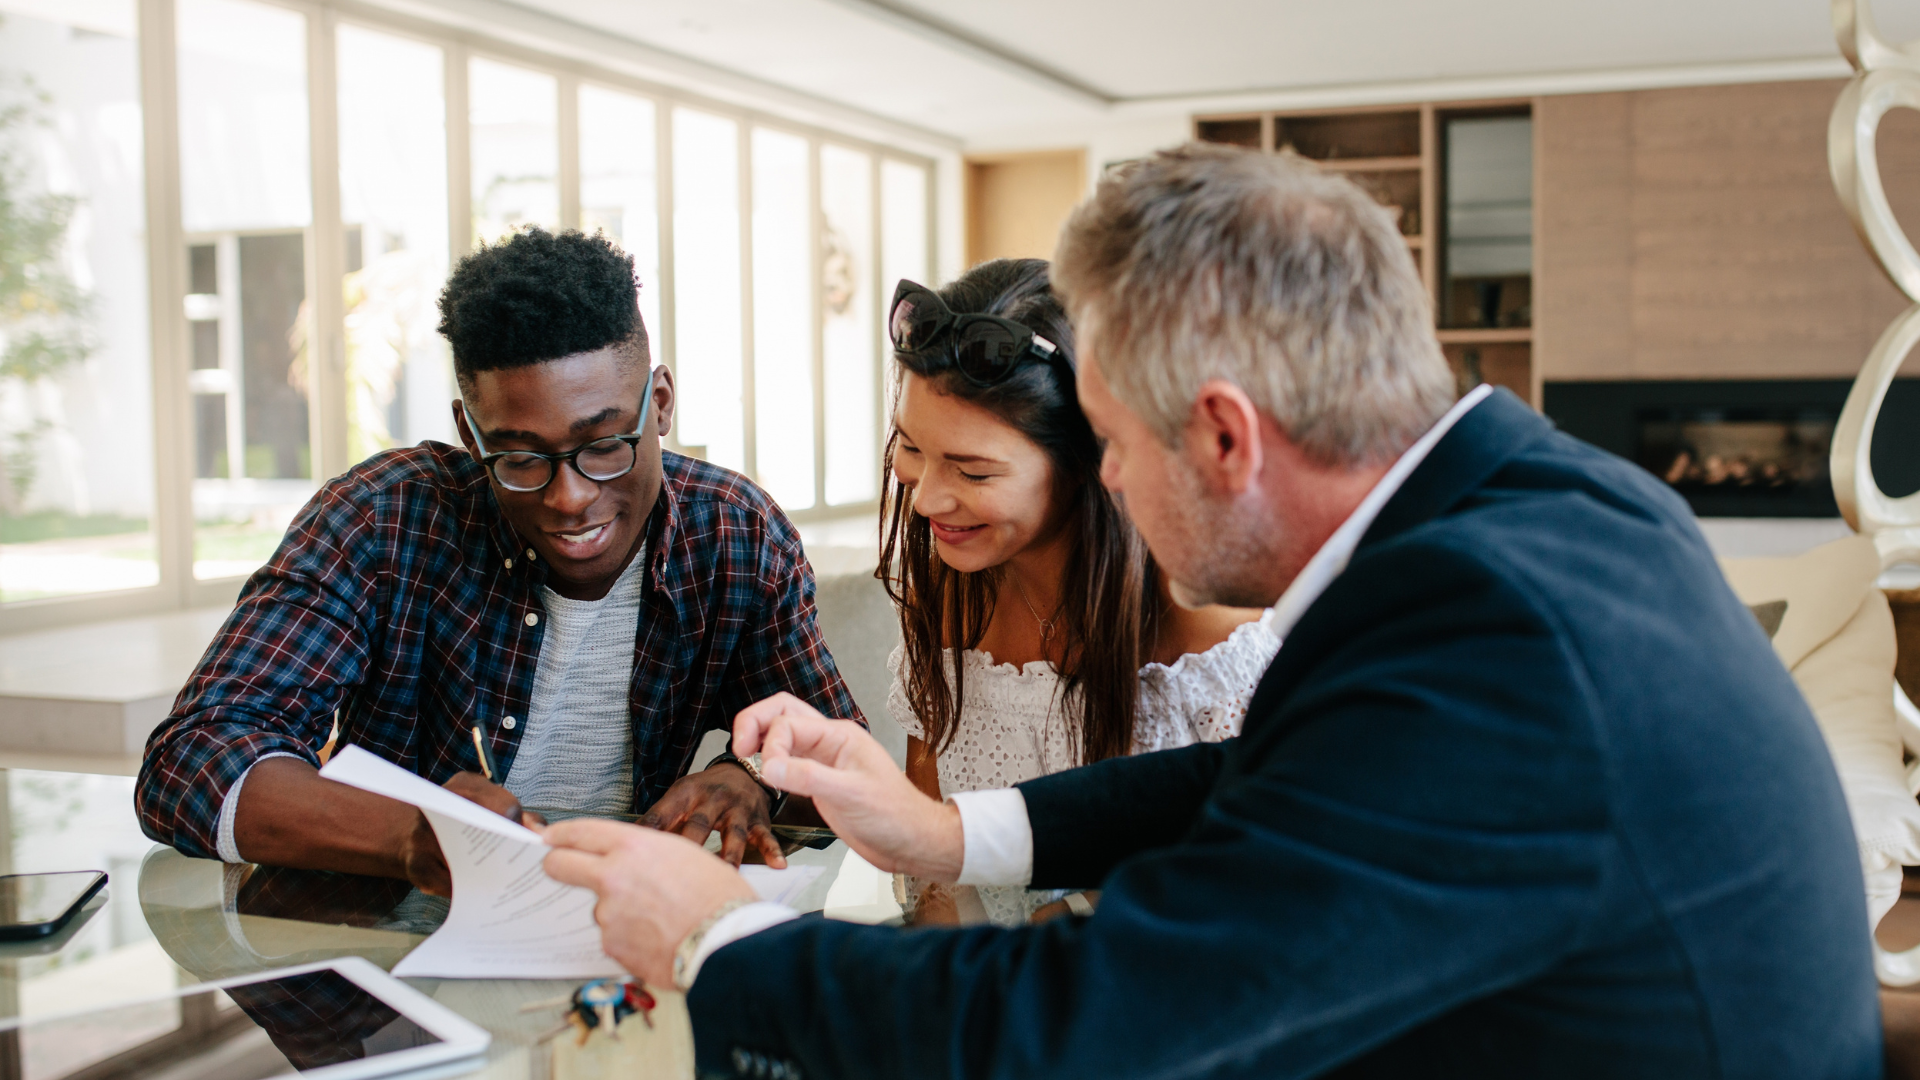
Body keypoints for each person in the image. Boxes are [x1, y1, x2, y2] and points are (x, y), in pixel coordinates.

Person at [541, 147, 1880, 1078]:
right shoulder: (1545, 501)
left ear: (1227, 437)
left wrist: (716, 942)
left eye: (1113, 445)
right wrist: (951, 829)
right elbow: (1289, 778)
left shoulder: (1497, 642)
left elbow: (1090, 1036)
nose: (1110, 484)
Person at [139, 228, 859, 894]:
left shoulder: (735, 534)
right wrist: (410, 838)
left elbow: (840, 756)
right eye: (518, 457)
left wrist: (750, 776)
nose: (571, 498)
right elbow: (192, 759)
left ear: (660, 405)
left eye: (605, 443)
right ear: (469, 432)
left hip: (626, 935)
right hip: (396, 950)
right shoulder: (382, 518)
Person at [880, 258, 1276, 925]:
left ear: (1091, 466)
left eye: (972, 470)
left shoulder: (1202, 624)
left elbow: (1252, 879)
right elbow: (935, 869)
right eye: (912, 447)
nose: (926, 500)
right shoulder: (953, 592)